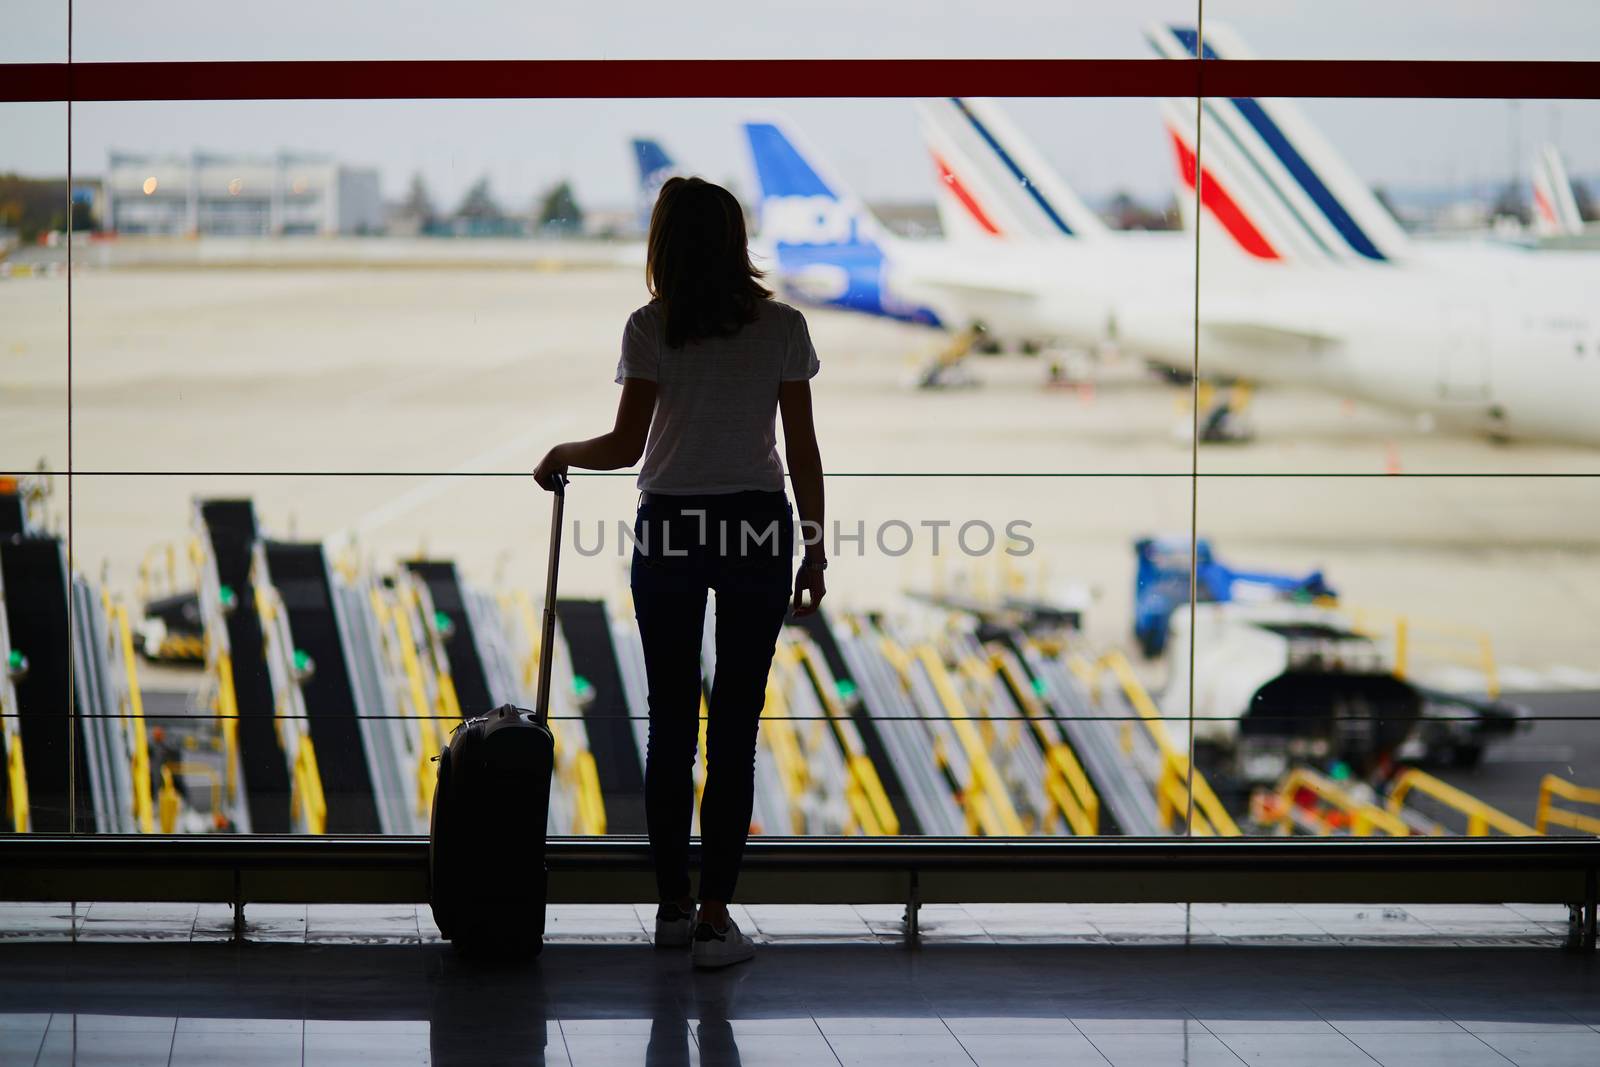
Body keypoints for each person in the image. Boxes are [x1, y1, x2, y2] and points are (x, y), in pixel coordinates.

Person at [534, 176, 827, 968]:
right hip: (758, 527)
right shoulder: (782, 327)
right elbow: (801, 450)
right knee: (735, 727)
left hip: (670, 525)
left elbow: (626, 448)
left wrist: (563, 453)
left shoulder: (649, 326)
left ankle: (668, 905)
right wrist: (816, 547)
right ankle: (714, 918)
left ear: (664, 244)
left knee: (671, 724)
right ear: (736, 240)